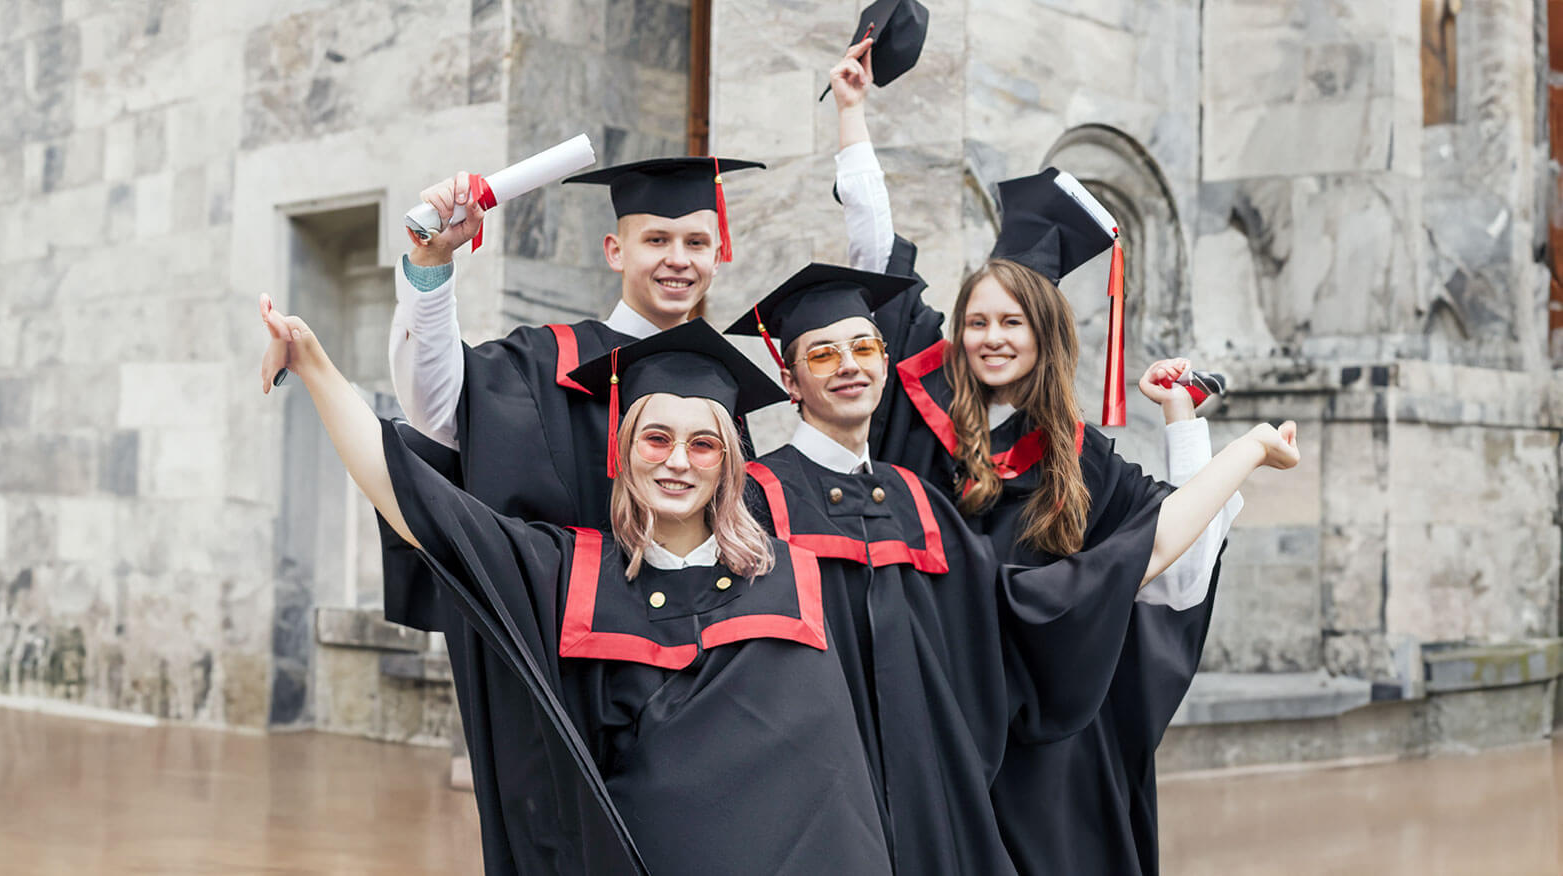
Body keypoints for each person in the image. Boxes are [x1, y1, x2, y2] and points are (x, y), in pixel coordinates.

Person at [829, 41, 1281, 875]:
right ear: (956, 329)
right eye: (978, 321)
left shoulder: (1085, 460)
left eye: (1012, 324)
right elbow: (876, 255)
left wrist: (1183, 421)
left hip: (1044, 740)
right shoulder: (913, 402)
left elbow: (1175, 562)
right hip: (931, 704)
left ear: (1045, 337)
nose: (991, 339)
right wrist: (853, 114)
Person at [260, 310, 893, 876]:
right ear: (625, 451)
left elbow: (833, 792)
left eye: (702, 444)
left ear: (729, 462)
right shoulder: (570, 573)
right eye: (657, 438)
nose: (677, 461)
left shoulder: (786, 581)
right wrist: (314, 365)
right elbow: (416, 501)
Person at [724, 262, 1297, 875]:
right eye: (976, 322)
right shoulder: (785, 490)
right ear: (790, 378)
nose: (849, 365)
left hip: (1008, 742)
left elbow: (1142, 564)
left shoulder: (922, 502)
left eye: (864, 347)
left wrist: (1215, 437)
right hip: (859, 774)